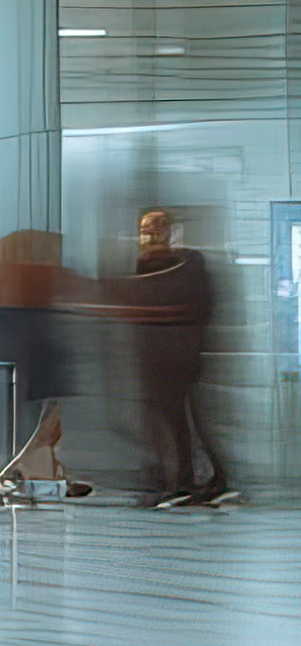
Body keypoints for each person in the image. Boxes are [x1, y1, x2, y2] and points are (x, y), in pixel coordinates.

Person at [120, 207, 229, 508]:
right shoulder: (177, 266)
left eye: (156, 229)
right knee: (182, 421)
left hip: (169, 359)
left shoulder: (175, 267)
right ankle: (195, 479)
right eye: (148, 230)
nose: (151, 236)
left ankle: (184, 481)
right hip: (173, 357)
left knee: (177, 422)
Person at [0, 229, 90, 505]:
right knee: (44, 421)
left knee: (36, 420)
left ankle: (43, 474)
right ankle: (28, 473)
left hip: (24, 359)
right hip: (38, 356)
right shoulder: (43, 276)